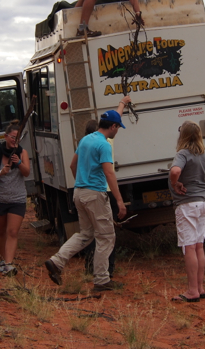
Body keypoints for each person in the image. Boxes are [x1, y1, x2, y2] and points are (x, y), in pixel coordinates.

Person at [45, 110, 128, 292]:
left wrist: (80, 183)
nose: (117, 131)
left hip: (79, 192)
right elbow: (109, 173)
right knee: (106, 237)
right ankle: (101, 279)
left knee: (85, 234)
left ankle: (56, 261)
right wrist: (120, 201)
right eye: (118, 127)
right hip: (95, 194)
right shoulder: (103, 145)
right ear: (113, 127)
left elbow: (72, 165)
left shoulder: (85, 140)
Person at [82, 96, 131, 277]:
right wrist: (122, 103)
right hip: (105, 193)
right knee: (107, 234)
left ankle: (89, 266)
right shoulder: (105, 143)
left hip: (85, 192)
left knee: (89, 232)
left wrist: (122, 104)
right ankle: (107, 269)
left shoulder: (84, 144)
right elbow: (115, 119)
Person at [168, 120, 205, 303]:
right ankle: (200, 287)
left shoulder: (183, 153)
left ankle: (192, 290)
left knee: (188, 246)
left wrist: (175, 183)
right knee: (198, 245)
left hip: (188, 203)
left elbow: (175, 171)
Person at [0, 120, 30, 276]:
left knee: (12, 232)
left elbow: (27, 173)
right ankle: (2, 260)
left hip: (17, 199)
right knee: (1, 231)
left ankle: (9, 264)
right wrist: (1, 173)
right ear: (6, 136)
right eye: (12, 137)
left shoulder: (22, 153)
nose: (14, 140)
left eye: (17, 138)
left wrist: (18, 163)